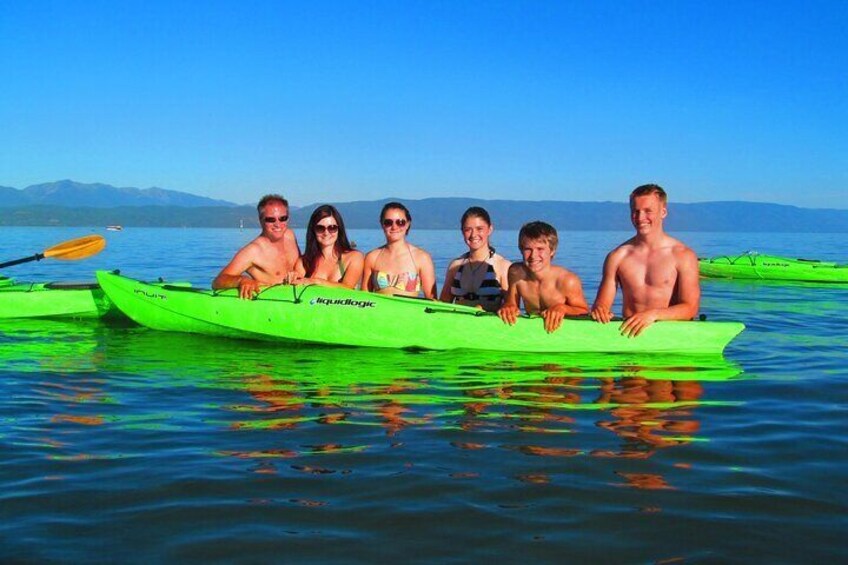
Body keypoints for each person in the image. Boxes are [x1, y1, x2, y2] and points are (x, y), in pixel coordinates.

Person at [590, 184, 700, 337]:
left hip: (671, 335)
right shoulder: (617, 256)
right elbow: (601, 304)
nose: (640, 217)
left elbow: (690, 307)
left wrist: (652, 315)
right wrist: (600, 311)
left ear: (663, 212)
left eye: (648, 211)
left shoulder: (683, 255)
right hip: (628, 335)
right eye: (636, 211)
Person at [498, 221, 589, 333]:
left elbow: (584, 311)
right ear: (521, 249)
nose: (533, 256)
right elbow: (512, 304)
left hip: (563, 333)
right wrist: (508, 307)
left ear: (552, 251)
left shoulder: (567, 281)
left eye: (540, 249)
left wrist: (562, 308)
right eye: (528, 249)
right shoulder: (516, 273)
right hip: (532, 334)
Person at [212, 194, 301, 299]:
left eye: (283, 218)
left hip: (299, 297)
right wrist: (242, 280)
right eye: (270, 220)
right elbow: (218, 281)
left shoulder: (290, 235)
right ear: (261, 220)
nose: (278, 224)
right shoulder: (252, 251)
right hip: (274, 304)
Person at [439, 206, 511, 312]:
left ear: (490, 229)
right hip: (458, 326)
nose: (473, 234)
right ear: (462, 232)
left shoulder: (502, 266)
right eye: (468, 230)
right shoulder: (455, 266)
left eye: (479, 229)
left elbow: (511, 307)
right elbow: (443, 304)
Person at [361, 202, 437, 299]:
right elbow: (364, 298)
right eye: (388, 222)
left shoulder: (422, 258)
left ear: (407, 224)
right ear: (382, 224)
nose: (394, 227)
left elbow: (432, 299)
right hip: (378, 313)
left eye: (400, 222)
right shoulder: (372, 257)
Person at [289, 205, 364, 288]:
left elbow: (347, 288)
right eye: (320, 228)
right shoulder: (303, 262)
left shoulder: (354, 257)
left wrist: (317, 281)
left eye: (332, 227)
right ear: (313, 230)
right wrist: (292, 277)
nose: (326, 233)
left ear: (339, 230)